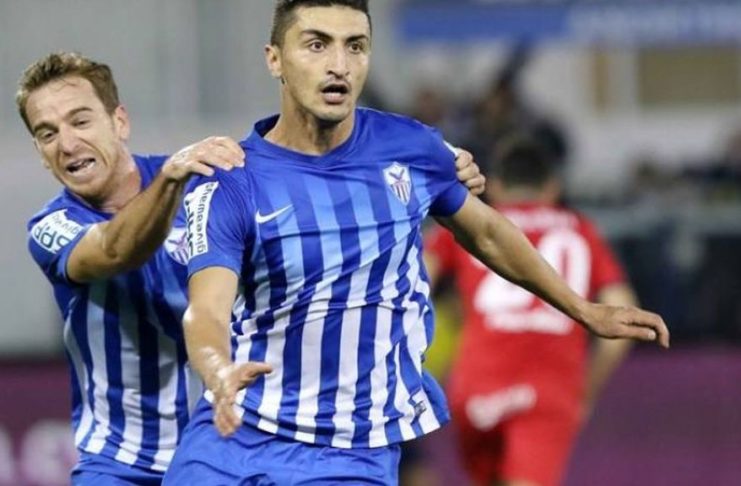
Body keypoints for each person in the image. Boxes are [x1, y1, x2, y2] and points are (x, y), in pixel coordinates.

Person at [164, 1, 669, 484]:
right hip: (233, 432)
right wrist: (218, 370)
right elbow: (206, 309)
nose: (339, 65)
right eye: (316, 45)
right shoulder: (231, 179)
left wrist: (582, 309)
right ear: (275, 59)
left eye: (355, 46)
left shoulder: (411, 148)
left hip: (350, 451)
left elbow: (488, 233)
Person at [17, 51, 484, 485]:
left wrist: (437, 165)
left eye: (80, 120)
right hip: (120, 464)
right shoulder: (53, 226)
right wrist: (170, 181)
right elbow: (114, 251)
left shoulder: (207, 184)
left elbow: (321, 198)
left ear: (119, 121)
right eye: (47, 133)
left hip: (232, 448)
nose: (67, 143)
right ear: (39, 149)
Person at [426, 135, 638, 486]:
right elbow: (622, 312)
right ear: (552, 187)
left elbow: (414, 276)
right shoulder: (581, 230)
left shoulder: (470, 223)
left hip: (476, 387)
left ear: (495, 186)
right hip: (547, 389)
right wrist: (585, 394)